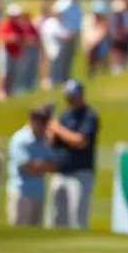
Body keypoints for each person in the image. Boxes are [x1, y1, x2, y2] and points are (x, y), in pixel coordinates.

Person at [48, 79, 99, 229]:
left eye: (73, 96)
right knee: (56, 218)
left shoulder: (89, 116)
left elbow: (81, 141)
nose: (71, 100)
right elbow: (52, 143)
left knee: (77, 218)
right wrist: (50, 127)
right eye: (68, 97)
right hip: (61, 172)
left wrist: (58, 129)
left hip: (80, 173)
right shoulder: (64, 116)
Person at [7, 104, 56, 226]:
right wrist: (43, 165)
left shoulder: (45, 140)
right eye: (36, 119)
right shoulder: (20, 139)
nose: (39, 123)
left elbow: (54, 165)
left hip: (38, 194)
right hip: (20, 193)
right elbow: (27, 168)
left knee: (36, 234)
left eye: (42, 120)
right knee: (18, 234)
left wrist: (39, 164)